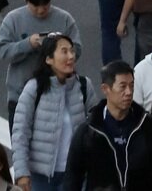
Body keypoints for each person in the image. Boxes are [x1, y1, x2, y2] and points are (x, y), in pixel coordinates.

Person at [0, 0, 86, 126]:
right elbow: (3, 52)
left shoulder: (64, 19)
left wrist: (58, 51)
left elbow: (76, 50)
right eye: (35, 5)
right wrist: (28, 44)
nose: (40, 10)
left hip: (58, 95)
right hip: (20, 95)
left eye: (45, 5)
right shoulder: (13, 20)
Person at [10, 32, 92, 191]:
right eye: (64, 51)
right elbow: (20, 132)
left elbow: (95, 127)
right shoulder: (34, 88)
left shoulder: (83, 85)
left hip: (76, 174)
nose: (70, 56)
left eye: (72, 51)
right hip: (41, 178)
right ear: (48, 59)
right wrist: (21, 173)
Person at [64, 60, 152, 191]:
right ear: (105, 89)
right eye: (123, 86)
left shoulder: (146, 125)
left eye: (132, 85)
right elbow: (73, 177)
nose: (129, 92)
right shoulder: (89, 130)